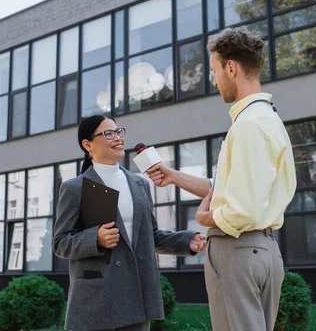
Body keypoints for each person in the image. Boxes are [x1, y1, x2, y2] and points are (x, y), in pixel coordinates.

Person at [147, 27, 297, 331]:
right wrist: (173, 176)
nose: (214, 80)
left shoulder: (248, 126)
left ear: (232, 67)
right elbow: (230, 190)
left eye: (215, 71)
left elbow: (243, 210)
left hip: (237, 250)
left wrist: (205, 217)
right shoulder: (268, 119)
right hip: (263, 250)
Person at [52, 114, 206, 331]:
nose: (117, 138)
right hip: (96, 300)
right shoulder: (75, 188)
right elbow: (60, 243)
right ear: (87, 144)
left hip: (136, 295)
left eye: (118, 132)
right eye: (108, 133)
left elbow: (149, 235)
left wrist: (186, 241)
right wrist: (94, 238)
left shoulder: (139, 184)